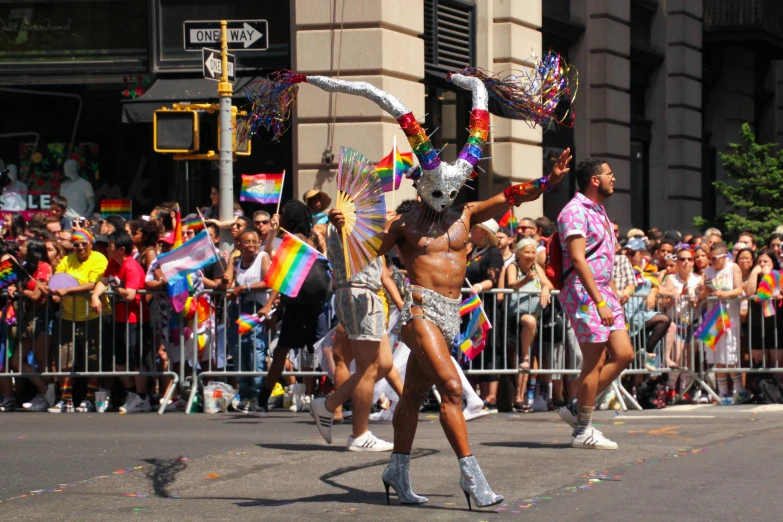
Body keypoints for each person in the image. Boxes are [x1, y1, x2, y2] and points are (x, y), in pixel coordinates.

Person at [340, 147, 573, 508]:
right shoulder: (403, 225)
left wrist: (548, 181)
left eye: (450, 188)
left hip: (451, 315)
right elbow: (361, 253)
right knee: (451, 389)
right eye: (437, 187)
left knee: (414, 395)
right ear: (422, 186)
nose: (445, 195)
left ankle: (396, 470)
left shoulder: (466, 215)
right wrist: (344, 227)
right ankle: (471, 476)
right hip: (419, 312)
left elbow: (511, 195)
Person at [556, 157, 634, 450]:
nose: (614, 178)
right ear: (594, 180)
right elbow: (577, 259)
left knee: (625, 353)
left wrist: (610, 295)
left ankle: (578, 407)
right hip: (584, 292)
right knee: (595, 361)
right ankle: (583, 430)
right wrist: (599, 301)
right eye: (609, 174)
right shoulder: (574, 211)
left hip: (604, 291)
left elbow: (603, 258)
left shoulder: (598, 210)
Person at [310, 230, 405, 451]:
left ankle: (328, 404)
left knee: (384, 363)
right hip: (360, 295)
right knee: (368, 367)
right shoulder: (349, 221)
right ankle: (359, 435)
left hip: (370, 297)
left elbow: (383, 273)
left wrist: (402, 306)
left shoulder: (370, 224)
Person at [256, 200, 332, 415]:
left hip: (298, 306)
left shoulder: (293, 242)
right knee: (325, 353)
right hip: (317, 304)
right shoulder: (311, 239)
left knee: (281, 352)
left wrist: (272, 232)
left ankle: (262, 400)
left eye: (284, 214)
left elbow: (275, 263)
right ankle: (342, 392)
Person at [90, 230, 152, 413]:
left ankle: (142, 397)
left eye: (110, 246)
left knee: (137, 359)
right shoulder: (112, 263)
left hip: (136, 319)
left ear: (121, 249)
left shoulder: (131, 266)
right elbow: (103, 280)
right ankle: (133, 393)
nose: (107, 249)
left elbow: (131, 295)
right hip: (119, 318)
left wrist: (119, 290)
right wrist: (95, 296)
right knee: (118, 361)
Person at [48, 229, 108, 413]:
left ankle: (89, 399)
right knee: (64, 359)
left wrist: (68, 289)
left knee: (93, 359)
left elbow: (94, 283)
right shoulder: (67, 259)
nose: (80, 247)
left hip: (93, 316)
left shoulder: (99, 259)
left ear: (91, 243)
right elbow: (57, 280)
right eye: (76, 244)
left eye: (83, 243)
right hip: (68, 316)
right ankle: (66, 400)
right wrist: (61, 288)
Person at [221, 229, 271, 413]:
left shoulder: (263, 258)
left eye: (254, 242)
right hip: (238, 312)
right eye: (247, 242)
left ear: (259, 243)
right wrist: (226, 281)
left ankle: (259, 397)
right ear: (239, 245)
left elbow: (269, 282)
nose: (251, 245)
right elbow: (227, 285)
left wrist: (244, 287)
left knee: (256, 354)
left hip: (256, 312)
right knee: (239, 352)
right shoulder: (236, 261)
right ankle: (245, 395)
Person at [503, 237, 554, 412]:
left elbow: (549, 284)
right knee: (522, 354)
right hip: (515, 316)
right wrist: (525, 280)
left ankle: (520, 397)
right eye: (527, 252)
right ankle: (516, 394)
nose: (531, 255)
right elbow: (512, 284)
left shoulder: (536, 267)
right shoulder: (513, 266)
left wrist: (545, 288)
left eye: (533, 252)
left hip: (533, 319)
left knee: (527, 360)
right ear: (519, 253)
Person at [700, 241, 746, 404]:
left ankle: (740, 390)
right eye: (709, 258)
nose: (711, 261)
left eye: (714, 259)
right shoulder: (708, 271)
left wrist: (724, 294)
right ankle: (722, 393)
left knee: (730, 355)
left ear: (723, 256)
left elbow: (740, 289)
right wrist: (705, 292)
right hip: (713, 317)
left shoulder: (733, 267)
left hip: (729, 316)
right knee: (716, 357)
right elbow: (702, 294)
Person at [465, 219, 504, 410]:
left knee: (487, 348)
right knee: (470, 347)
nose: (471, 231)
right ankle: (474, 393)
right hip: (470, 307)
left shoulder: (493, 254)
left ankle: (491, 395)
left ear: (484, 233)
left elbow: (492, 279)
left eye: (475, 228)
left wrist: (480, 286)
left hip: (484, 306)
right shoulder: (472, 252)